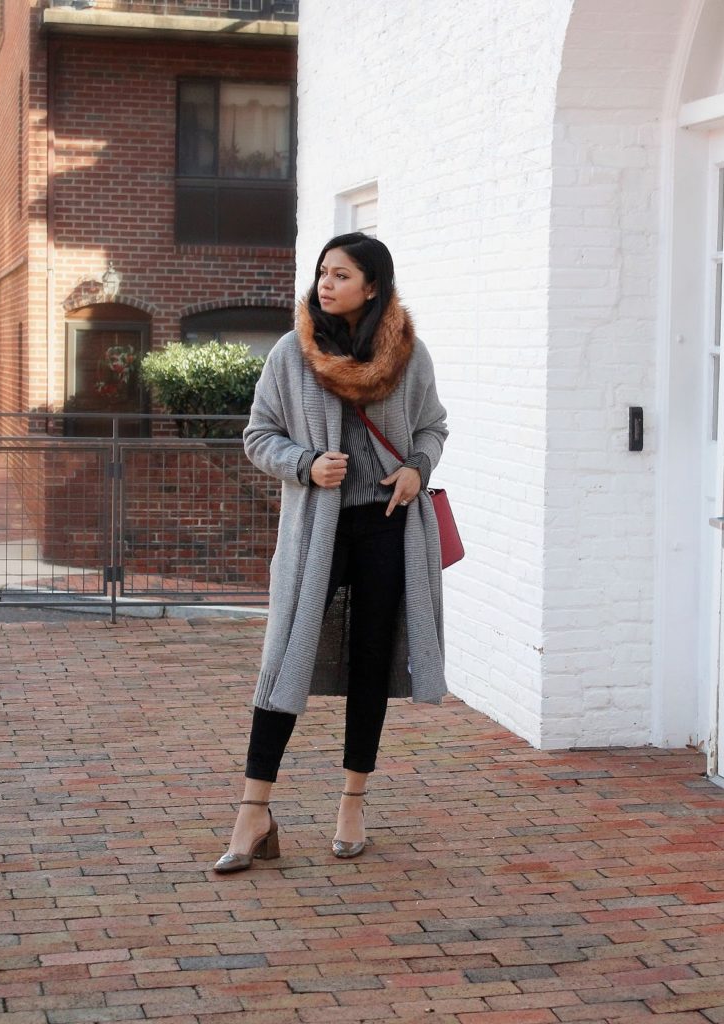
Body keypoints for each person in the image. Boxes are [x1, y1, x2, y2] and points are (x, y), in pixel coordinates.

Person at [214, 232, 449, 872]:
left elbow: (432, 424)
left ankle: (352, 803)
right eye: (323, 272)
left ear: (372, 287)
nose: (325, 283)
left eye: (341, 274)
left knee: (371, 659)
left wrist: (416, 469)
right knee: (284, 656)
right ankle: (252, 811)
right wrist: (305, 463)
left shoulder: (407, 354)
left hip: (388, 524)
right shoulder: (293, 354)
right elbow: (258, 436)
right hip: (317, 529)